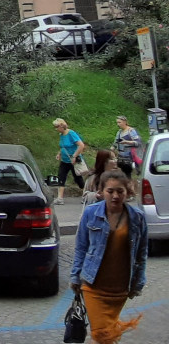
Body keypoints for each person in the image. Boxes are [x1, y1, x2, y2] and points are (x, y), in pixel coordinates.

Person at [70, 169, 147, 343]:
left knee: (108, 333)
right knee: (101, 333)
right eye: (110, 191)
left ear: (127, 192)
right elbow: (81, 247)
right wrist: (75, 276)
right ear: (101, 191)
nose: (115, 196)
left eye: (120, 191)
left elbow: (142, 254)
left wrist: (138, 282)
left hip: (119, 288)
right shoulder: (91, 213)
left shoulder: (138, 218)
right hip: (93, 284)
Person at [53, 118, 86, 203]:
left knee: (78, 178)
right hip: (64, 160)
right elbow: (63, 146)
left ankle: (86, 195)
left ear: (62, 126)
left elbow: (81, 145)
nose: (56, 129)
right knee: (61, 176)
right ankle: (60, 198)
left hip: (73, 160)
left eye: (57, 127)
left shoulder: (71, 133)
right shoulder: (61, 135)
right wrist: (59, 153)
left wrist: (74, 156)